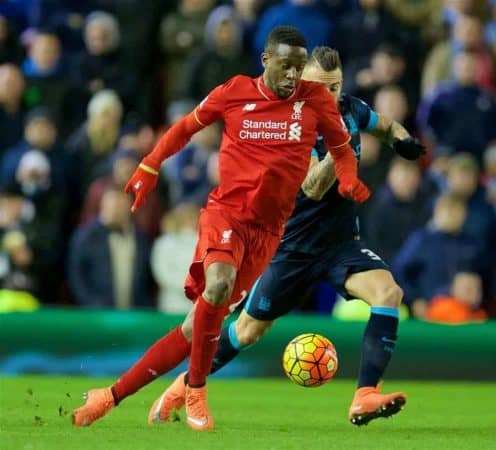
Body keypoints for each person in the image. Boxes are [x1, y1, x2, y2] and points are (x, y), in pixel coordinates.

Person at [72, 26, 371, 431]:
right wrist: (149, 164)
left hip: (267, 234)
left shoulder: (315, 99)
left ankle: (108, 396)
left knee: (194, 327)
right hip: (226, 215)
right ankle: (196, 389)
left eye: (300, 69)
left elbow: (340, 147)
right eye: (286, 66)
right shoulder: (233, 92)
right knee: (218, 283)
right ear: (266, 61)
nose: (293, 77)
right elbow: (184, 128)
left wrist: (349, 178)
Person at [148, 46, 425, 427]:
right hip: (291, 249)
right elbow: (312, 186)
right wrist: (338, 147)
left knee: (388, 293)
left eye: (335, 87)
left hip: (341, 245)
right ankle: (182, 386)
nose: (328, 95)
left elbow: (385, 124)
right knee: (247, 331)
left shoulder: (352, 110)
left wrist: (402, 141)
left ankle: (364, 395)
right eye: (320, 87)